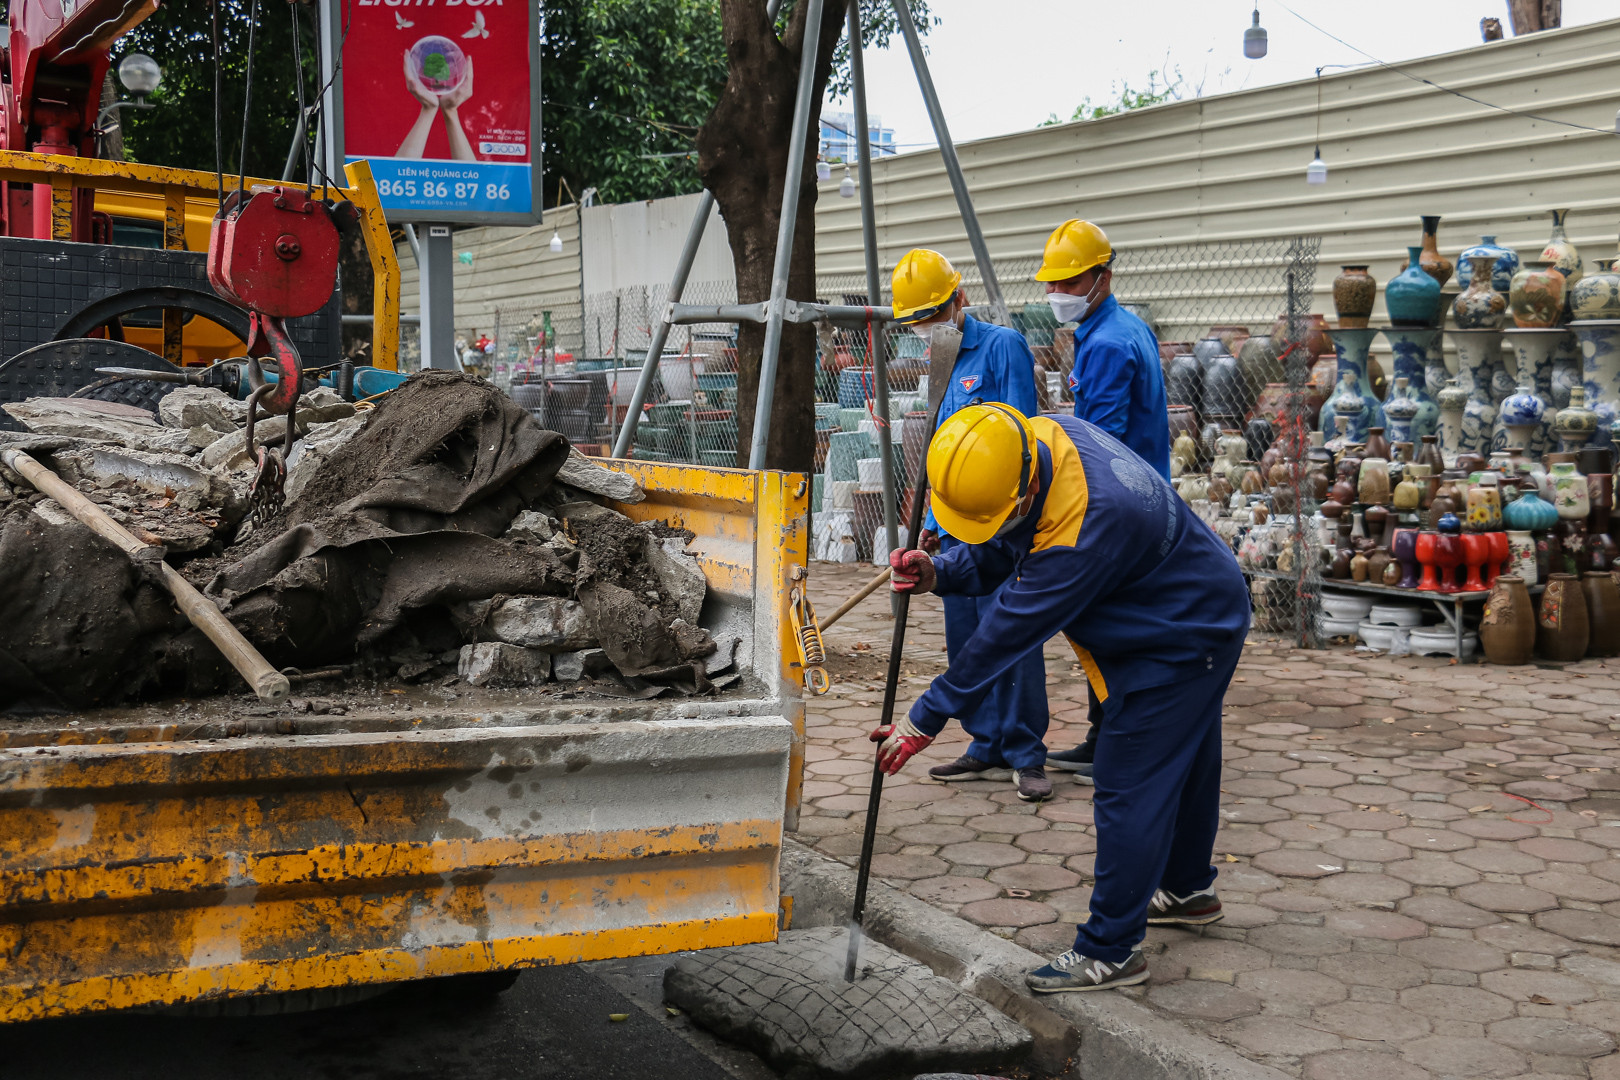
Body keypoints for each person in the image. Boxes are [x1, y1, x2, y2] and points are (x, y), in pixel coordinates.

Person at [872, 403, 1249, 991]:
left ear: (1022, 489)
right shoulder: (1042, 438)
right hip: (1195, 599)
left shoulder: (1086, 529)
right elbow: (1008, 539)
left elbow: (1005, 634)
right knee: (1189, 757)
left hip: (1181, 634)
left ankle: (1110, 950)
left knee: (1130, 783)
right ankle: (1188, 890)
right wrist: (940, 570)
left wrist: (924, 718)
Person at [889, 248, 1049, 802]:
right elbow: (942, 453)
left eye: (933, 315)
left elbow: (1021, 440)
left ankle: (1027, 751)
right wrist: (932, 525)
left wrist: (1010, 525)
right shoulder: (940, 360)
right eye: (917, 322)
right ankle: (985, 743)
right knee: (966, 637)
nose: (927, 329)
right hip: (953, 523)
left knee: (1013, 633)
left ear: (959, 300)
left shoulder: (1002, 347)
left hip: (1001, 524)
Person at [1036, 219, 1171, 783]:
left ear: (1102, 276)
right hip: (1142, 494)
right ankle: (1110, 733)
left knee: (1103, 621)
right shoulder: (1119, 327)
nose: (1059, 295)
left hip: (1119, 502)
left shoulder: (1111, 343)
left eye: (1071, 283)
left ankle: (1114, 738)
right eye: (1055, 284)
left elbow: (1101, 439)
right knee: (1115, 620)